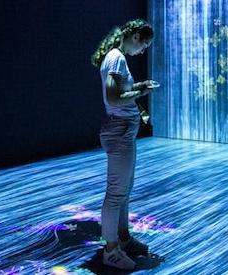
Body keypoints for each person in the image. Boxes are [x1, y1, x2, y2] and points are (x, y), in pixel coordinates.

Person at [91, 19, 157, 270]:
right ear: (136, 37)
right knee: (116, 192)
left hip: (123, 130)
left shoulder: (117, 57)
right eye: (145, 45)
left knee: (124, 189)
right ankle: (111, 250)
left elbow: (119, 91)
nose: (144, 50)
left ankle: (123, 239)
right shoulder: (116, 57)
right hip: (119, 130)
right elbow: (113, 97)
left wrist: (140, 86)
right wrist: (140, 93)